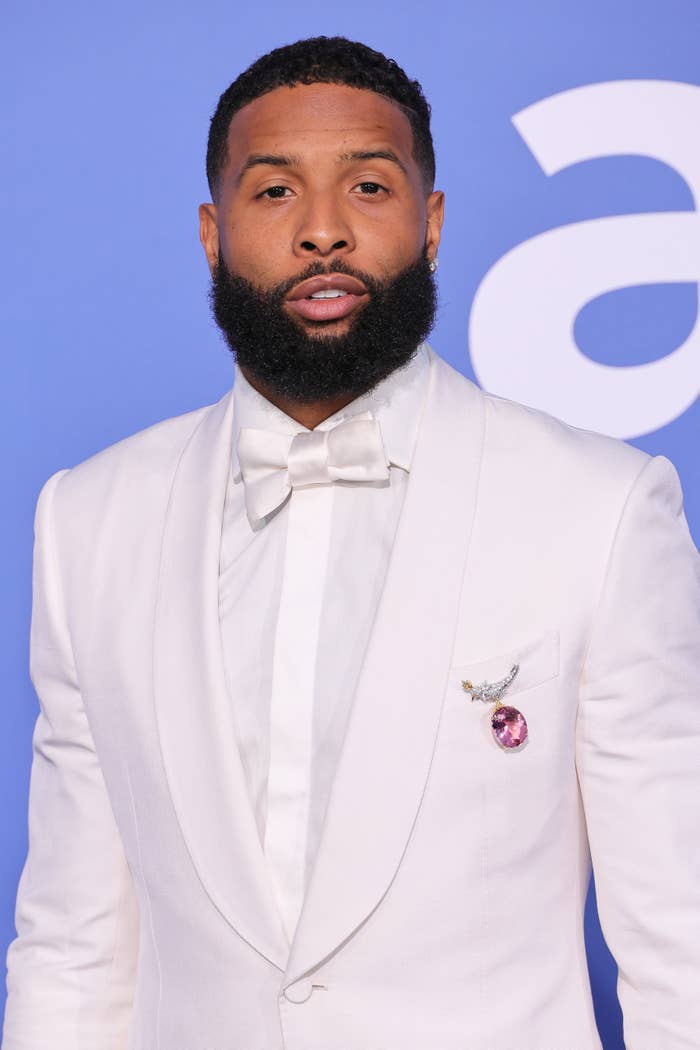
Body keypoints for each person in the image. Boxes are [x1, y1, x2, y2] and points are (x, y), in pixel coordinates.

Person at [3, 35, 699, 1050]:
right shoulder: (87, 521)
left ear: (431, 222)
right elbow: (72, 943)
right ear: (211, 231)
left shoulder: (598, 511)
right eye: (275, 192)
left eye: (368, 187)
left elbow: (678, 934)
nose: (322, 231)